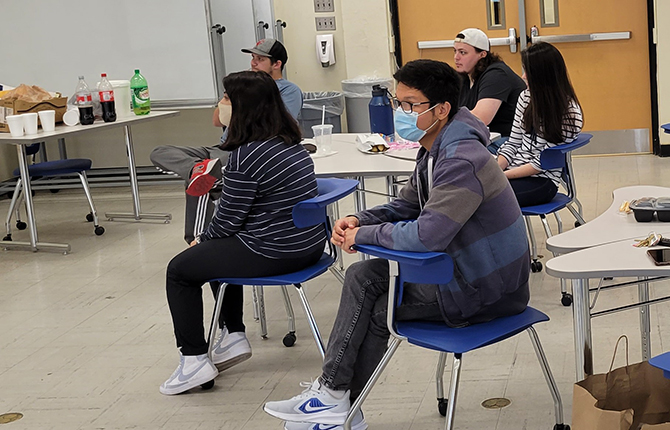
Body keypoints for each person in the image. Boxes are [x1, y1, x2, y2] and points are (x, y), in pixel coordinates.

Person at [262, 59, 530, 429]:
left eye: (410, 104)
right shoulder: (435, 148)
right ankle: (338, 404)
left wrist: (362, 237)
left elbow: (427, 235)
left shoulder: (461, 158)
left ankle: (336, 400)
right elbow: (406, 205)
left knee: (371, 292)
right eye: (397, 102)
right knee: (367, 284)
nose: (399, 112)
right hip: (469, 272)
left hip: (491, 290)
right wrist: (361, 220)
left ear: (441, 109)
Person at [158, 70, 326, 396]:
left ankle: (193, 360)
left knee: (180, 270)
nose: (220, 104)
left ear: (242, 107)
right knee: (214, 253)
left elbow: (227, 222)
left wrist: (200, 240)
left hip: (275, 251)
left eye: (225, 98)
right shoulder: (290, 143)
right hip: (308, 246)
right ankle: (233, 336)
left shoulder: (247, 156)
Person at [150, 38, 303, 245]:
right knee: (160, 152)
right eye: (253, 58)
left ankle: (196, 237)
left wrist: (241, 101)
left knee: (200, 184)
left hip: (242, 151)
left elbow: (273, 125)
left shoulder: (286, 90)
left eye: (260, 59)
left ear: (277, 64)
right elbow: (217, 121)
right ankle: (199, 170)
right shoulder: (244, 84)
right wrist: (231, 96)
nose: (253, 63)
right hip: (220, 148)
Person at [497, 42, 583, 207]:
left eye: (527, 72)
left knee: (484, 198)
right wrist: (496, 169)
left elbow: (542, 163)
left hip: (542, 180)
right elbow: (513, 143)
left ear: (542, 76)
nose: (523, 76)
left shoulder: (569, 113)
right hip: (513, 169)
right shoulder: (525, 97)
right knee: (470, 188)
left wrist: (500, 176)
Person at [453, 27, 526, 154]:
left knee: (458, 154)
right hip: (484, 137)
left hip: (509, 140)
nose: (456, 57)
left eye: (463, 52)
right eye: (455, 51)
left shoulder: (496, 74)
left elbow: (480, 118)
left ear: (482, 54)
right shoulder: (465, 76)